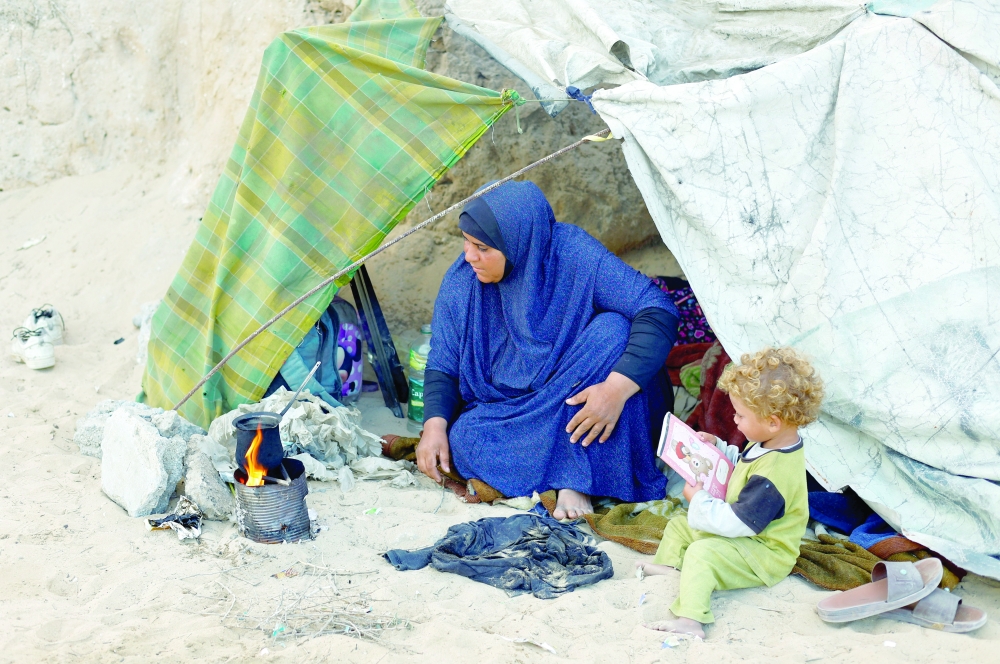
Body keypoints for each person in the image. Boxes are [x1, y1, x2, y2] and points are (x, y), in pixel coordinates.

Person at [415, 180, 679, 520]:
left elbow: (657, 308)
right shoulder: (462, 281)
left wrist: (615, 390)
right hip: (516, 414)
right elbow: (443, 365)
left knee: (614, 331)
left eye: (482, 247)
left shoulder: (573, 254)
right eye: (466, 242)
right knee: (464, 438)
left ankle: (574, 481)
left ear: (518, 243)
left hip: (581, 399)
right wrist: (434, 427)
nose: (469, 256)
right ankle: (581, 471)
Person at [637, 347, 824, 638]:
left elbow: (737, 522)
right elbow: (744, 464)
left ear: (772, 421)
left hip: (764, 553)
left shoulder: (775, 475)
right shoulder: (772, 441)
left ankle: (691, 620)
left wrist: (699, 500)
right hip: (747, 537)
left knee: (702, 553)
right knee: (680, 525)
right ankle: (669, 566)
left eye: (741, 415)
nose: (735, 420)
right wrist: (718, 448)